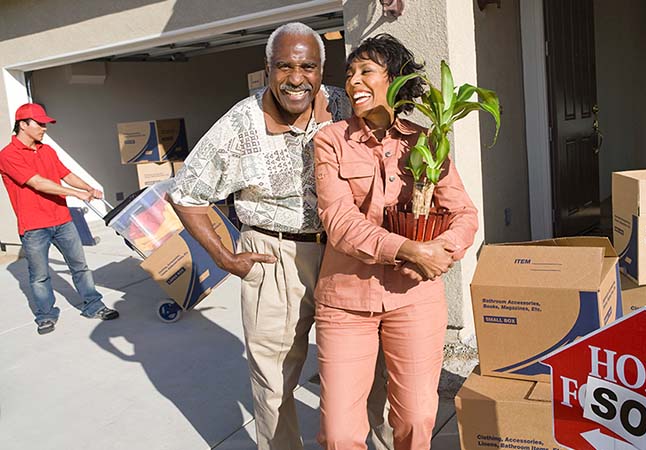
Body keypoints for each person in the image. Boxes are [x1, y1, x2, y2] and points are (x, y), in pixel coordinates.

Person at [169, 22, 393, 450]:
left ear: (322, 69)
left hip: (344, 255)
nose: (296, 78)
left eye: (307, 66)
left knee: (368, 369)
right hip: (273, 257)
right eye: (284, 66)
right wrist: (224, 257)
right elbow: (186, 193)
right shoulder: (240, 123)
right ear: (267, 68)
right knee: (274, 383)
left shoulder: (345, 104)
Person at [313, 34, 479, 450]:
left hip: (415, 296)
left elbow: (464, 214)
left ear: (395, 80)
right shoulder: (330, 140)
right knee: (339, 430)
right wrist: (408, 249)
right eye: (349, 73)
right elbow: (340, 222)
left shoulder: (426, 141)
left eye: (366, 71)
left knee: (417, 418)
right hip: (346, 300)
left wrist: (444, 252)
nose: (353, 82)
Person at [0, 103, 120, 335]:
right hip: (34, 226)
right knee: (40, 275)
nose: (44, 128)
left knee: (80, 267)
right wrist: (76, 194)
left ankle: (93, 305)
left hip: (62, 220)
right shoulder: (7, 155)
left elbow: (66, 174)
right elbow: (37, 182)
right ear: (23, 125)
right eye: (40, 124)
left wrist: (89, 188)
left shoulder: (47, 151)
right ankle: (46, 315)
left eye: (45, 124)